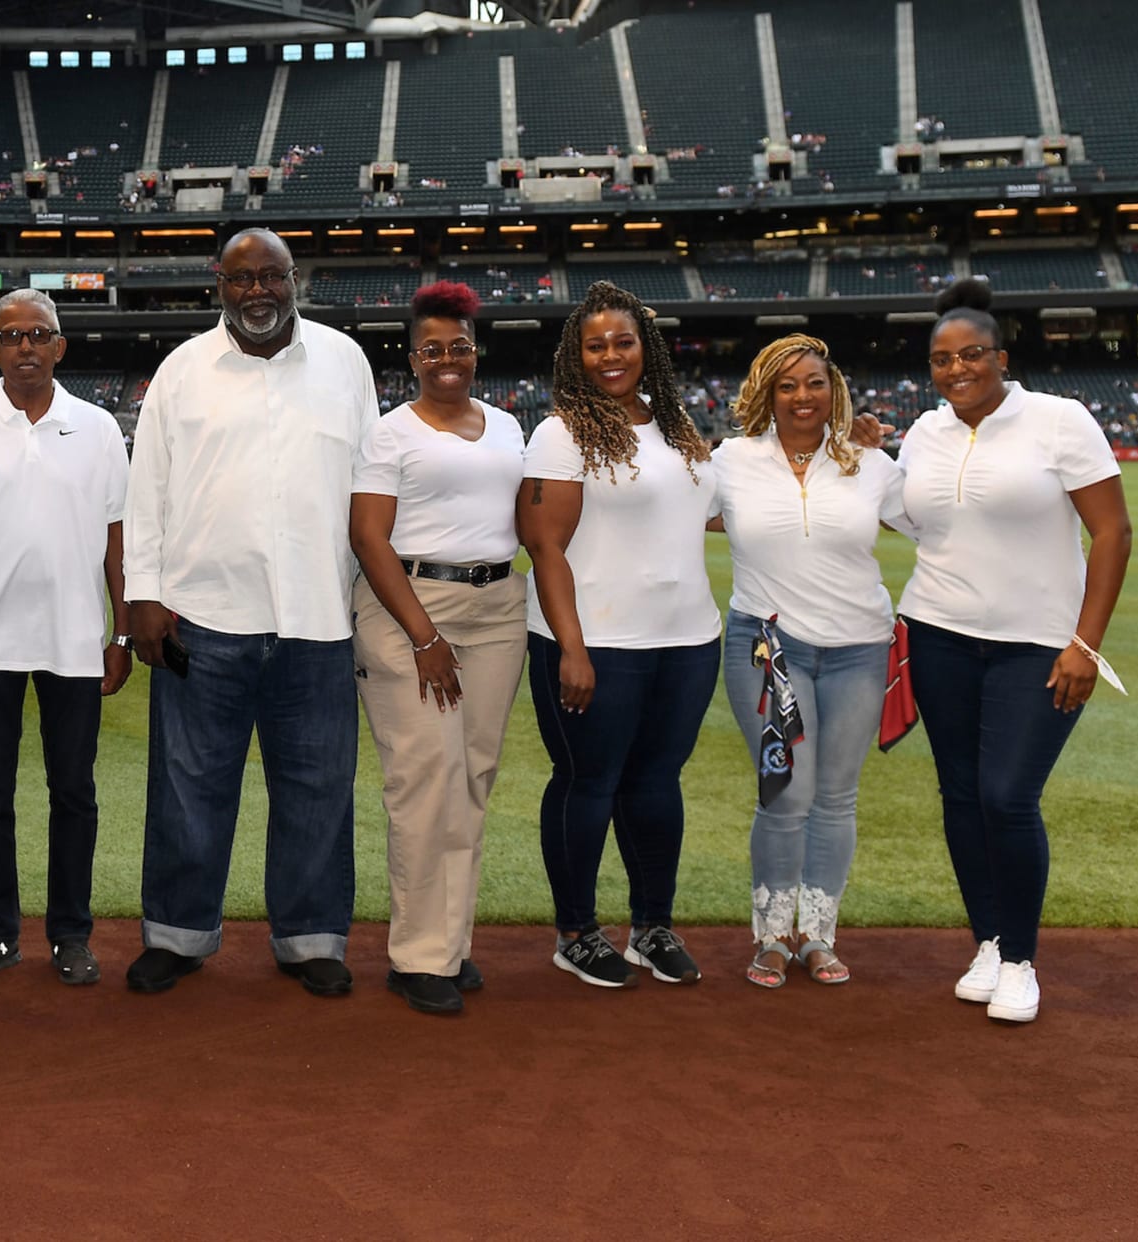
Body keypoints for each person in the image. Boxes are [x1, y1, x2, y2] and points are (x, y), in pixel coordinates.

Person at [121, 227, 378, 997]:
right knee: (188, 786)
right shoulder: (181, 370)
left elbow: (371, 489)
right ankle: (177, 934)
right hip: (203, 613)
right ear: (219, 285)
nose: (258, 291)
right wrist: (143, 596)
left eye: (272, 276)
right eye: (242, 279)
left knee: (317, 786)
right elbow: (148, 491)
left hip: (319, 616)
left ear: (294, 279)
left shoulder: (344, 362)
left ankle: (311, 938)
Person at [896, 279, 1131, 1024]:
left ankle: (1022, 959)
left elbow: (1113, 534)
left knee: (1007, 795)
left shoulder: (1060, 420)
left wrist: (1084, 645)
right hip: (936, 634)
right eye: (941, 359)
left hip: (1037, 645)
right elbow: (917, 523)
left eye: (971, 355)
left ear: (1001, 356)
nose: (957, 369)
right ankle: (989, 943)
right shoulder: (924, 433)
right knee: (962, 795)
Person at [517, 280, 719, 989]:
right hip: (595, 644)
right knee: (588, 783)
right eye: (594, 344)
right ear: (577, 354)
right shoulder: (561, 431)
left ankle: (651, 927)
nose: (610, 355)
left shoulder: (678, 426)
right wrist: (571, 647)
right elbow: (544, 546)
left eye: (623, 341)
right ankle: (575, 931)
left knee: (657, 784)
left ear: (646, 347)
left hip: (689, 641)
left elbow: (706, 514)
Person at [0, 289, 131, 987]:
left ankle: (71, 934)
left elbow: (116, 538)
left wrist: (124, 631)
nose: (25, 346)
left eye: (38, 334)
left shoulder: (99, 428)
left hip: (75, 641)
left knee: (73, 792)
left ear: (60, 347)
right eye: (10, 335)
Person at [346, 281, 525, 1015]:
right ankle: (418, 957)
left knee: (472, 778)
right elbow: (367, 536)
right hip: (410, 610)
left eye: (459, 346)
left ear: (475, 353)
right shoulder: (391, 431)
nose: (446, 359)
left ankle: (449, 943)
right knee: (425, 781)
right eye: (432, 349)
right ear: (412, 357)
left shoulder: (511, 426)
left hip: (498, 607)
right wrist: (424, 636)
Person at [709, 334, 906, 988]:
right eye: (787, 384)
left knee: (835, 798)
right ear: (766, 391)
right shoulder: (730, 461)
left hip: (858, 648)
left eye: (815, 383)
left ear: (834, 389)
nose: (802, 396)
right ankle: (771, 937)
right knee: (785, 796)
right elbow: (668, 513)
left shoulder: (870, 463)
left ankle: (816, 936)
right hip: (769, 650)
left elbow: (939, 523)